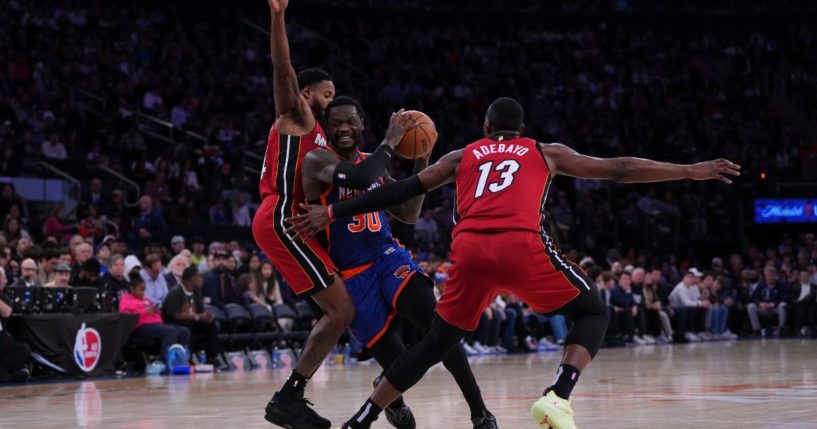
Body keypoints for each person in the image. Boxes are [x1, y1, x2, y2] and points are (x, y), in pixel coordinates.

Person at [288, 97, 741, 429]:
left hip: (467, 253)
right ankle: (558, 397)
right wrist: (689, 170)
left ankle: (362, 419)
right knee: (593, 310)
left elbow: (401, 193)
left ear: (486, 127)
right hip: (520, 247)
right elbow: (619, 168)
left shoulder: (462, 155)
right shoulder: (546, 151)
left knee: (435, 343)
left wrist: (333, 210)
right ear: (522, 130)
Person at [250, 1, 420, 427]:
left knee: (350, 307)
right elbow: (282, 68)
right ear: (307, 95)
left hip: (304, 226)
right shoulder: (299, 117)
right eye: (327, 93)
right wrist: (277, 17)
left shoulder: (326, 139)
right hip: (284, 219)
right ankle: (289, 397)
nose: (332, 99)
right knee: (342, 310)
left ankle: (385, 388)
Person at [300, 96, 495, 428]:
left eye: (351, 121)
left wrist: (422, 162)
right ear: (327, 128)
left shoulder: (372, 163)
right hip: (352, 277)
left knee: (438, 326)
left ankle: (479, 411)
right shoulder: (317, 160)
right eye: (337, 123)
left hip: (388, 257)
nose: (344, 128)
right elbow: (361, 178)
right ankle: (389, 394)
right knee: (398, 367)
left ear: (362, 125)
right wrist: (391, 140)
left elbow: (408, 213)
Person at [120, 272, 190, 362]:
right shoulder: (125, 300)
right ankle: (165, 361)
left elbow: (155, 313)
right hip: (141, 327)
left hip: (156, 324)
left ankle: (180, 359)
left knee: (184, 331)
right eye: (140, 290)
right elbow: (126, 317)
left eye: (144, 290)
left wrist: (157, 311)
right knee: (170, 332)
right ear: (132, 289)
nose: (143, 293)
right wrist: (145, 312)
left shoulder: (146, 300)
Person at [162, 266, 219, 366]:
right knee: (186, 328)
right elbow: (176, 316)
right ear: (192, 278)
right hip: (174, 324)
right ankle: (186, 358)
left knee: (211, 325)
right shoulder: (175, 292)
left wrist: (207, 317)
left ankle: (211, 357)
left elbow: (200, 312)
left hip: (191, 323)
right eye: (199, 277)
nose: (202, 279)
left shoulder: (197, 292)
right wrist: (197, 317)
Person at [0, 267, 31, 382]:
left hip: (1, 336)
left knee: (23, 349)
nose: (6, 282)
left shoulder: (3, 296)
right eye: (4, 279)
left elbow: (7, 312)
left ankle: (3, 372)